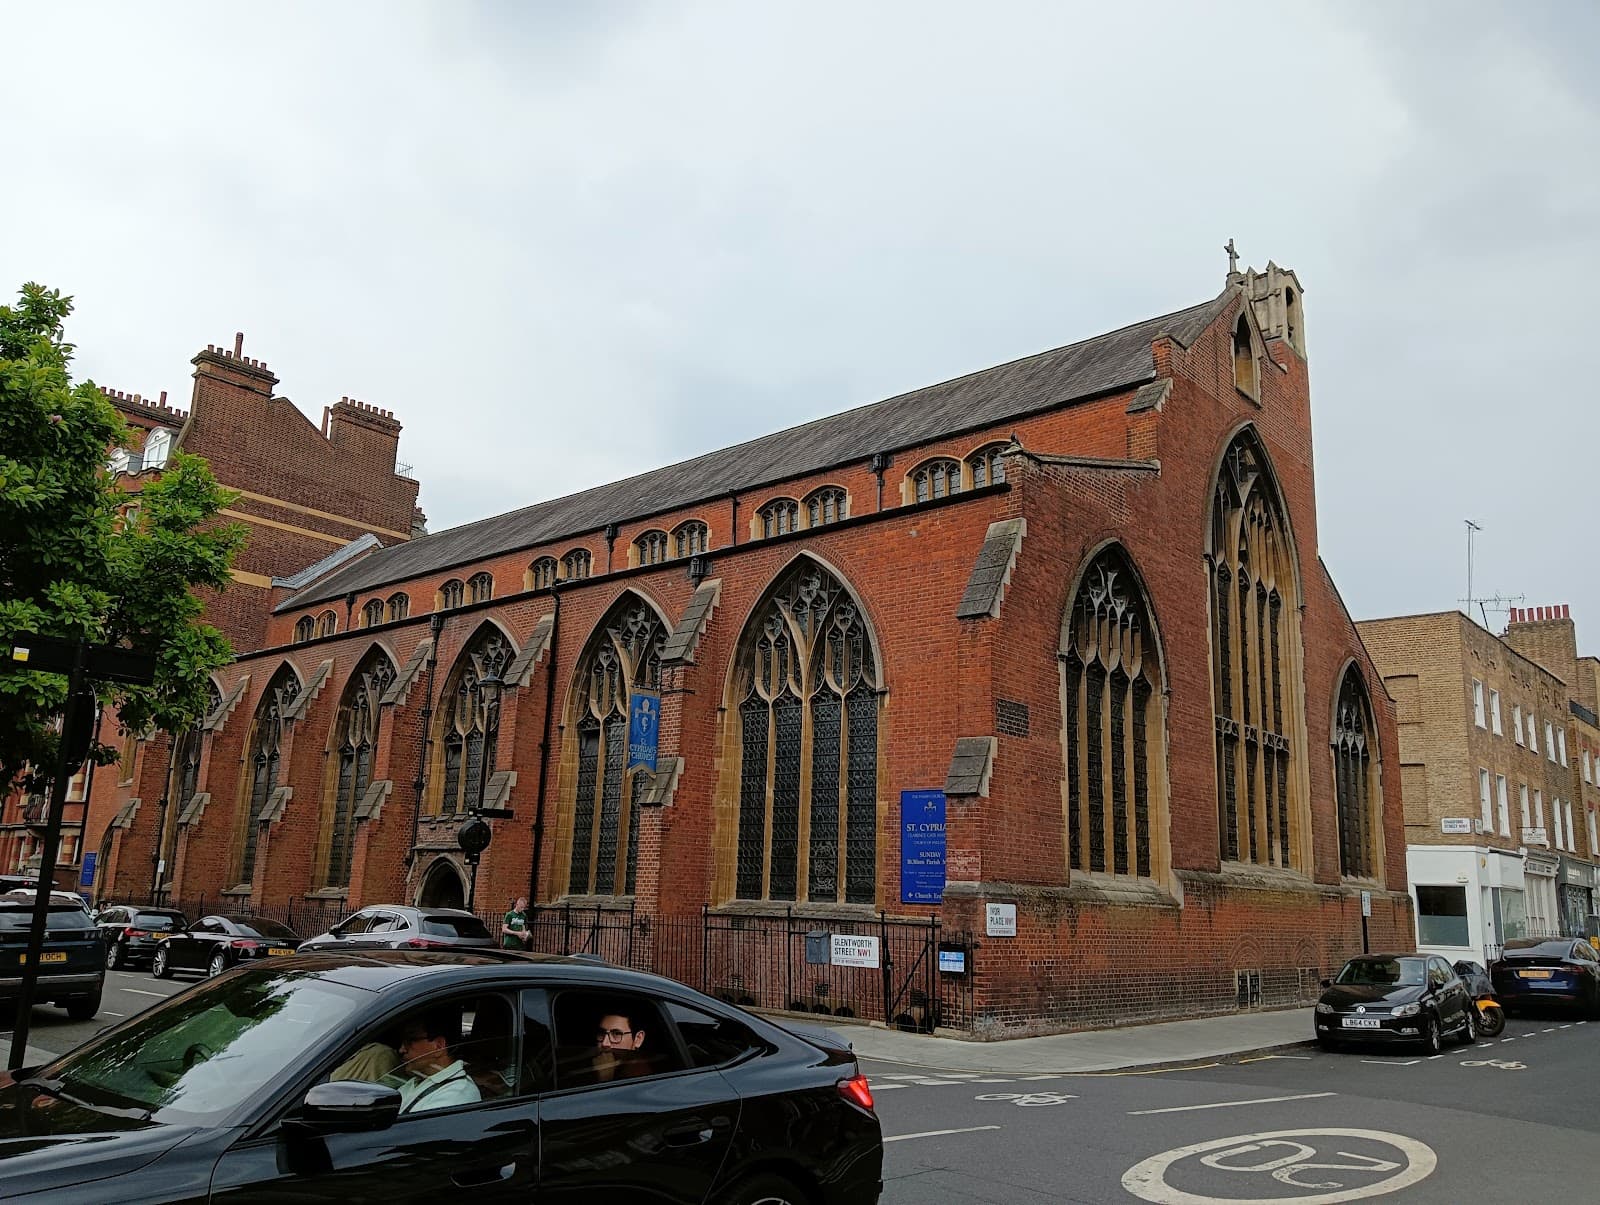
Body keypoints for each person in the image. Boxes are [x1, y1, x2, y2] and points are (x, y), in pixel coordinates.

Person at [393, 1008, 481, 1113]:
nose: (402, 1049)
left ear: (439, 1046)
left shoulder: (457, 1093)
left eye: (410, 1041)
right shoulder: (417, 1081)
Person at [591, 1006, 652, 1083]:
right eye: (601, 1033)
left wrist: (605, 1078)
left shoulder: (640, 1076)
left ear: (638, 1039)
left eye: (616, 1033)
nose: (604, 1043)